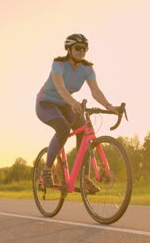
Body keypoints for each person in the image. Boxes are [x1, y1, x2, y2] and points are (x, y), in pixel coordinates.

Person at [36, 34, 121, 191]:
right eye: (78, 48)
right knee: (63, 129)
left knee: (84, 132)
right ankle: (46, 171)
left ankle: (85, 178)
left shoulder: (87, 68)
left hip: (65, 104)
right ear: (69, 49)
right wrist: (74, 103)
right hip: (46, 103)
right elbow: (61, 88)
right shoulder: (59, 64)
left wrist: (109, 106)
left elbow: (95, 91)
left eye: (85, 48)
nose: (82, 51)